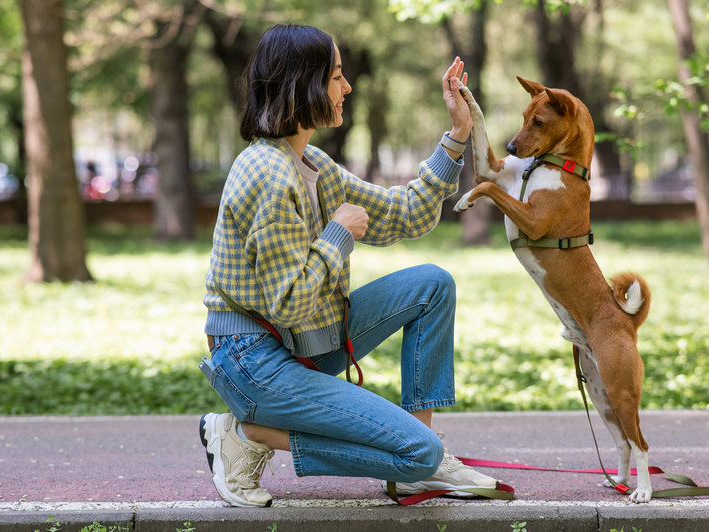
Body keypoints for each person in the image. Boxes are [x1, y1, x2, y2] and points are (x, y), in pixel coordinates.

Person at [200, 23, 497, 508]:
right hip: (253, 360)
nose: (347, 87)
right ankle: (248, 433)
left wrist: (458, 135)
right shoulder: (269, 178)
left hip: (300, 341)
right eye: (337, 76)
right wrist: (338, 234)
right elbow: (290, 304)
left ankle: (423, 464)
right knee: (416, 453)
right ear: (305, 84)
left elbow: (404, 213)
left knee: (432, 286)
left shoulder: (310, 162)